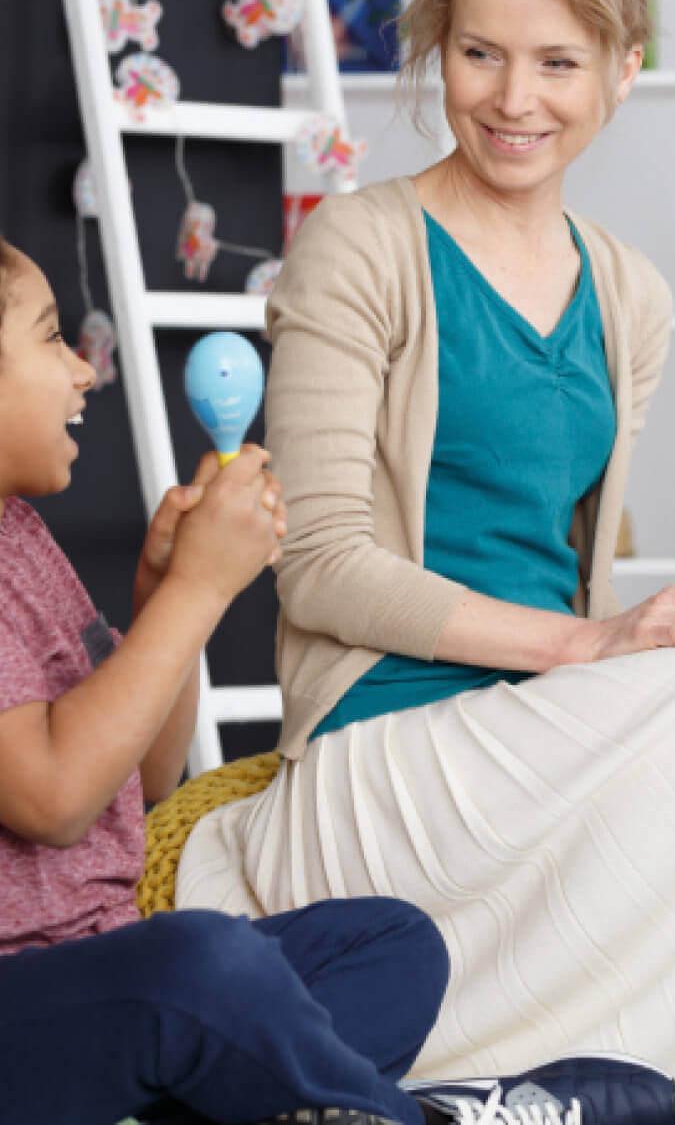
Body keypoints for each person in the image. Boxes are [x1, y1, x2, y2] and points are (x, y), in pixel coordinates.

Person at [172, 0, 675, 1114]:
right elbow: (317, 564)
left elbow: (578, 570)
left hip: (552, 736)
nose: (515, 99)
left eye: (557, 62)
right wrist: (594, 645)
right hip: (388, 747)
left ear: (623, 69)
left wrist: (637, 652)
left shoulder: (628, 293)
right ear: (437, 55)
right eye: (478, 55)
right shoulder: (357, 248)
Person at [0, 232, 451, 1125]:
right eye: (51, 338)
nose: (83, 371)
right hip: (29, 995)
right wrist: (201, 591)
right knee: (200, 965)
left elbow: (135, 785)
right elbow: (50, 799)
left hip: (105, 967)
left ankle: (225, 1094)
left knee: (393, 943)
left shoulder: (20, 531)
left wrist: (165, 597)